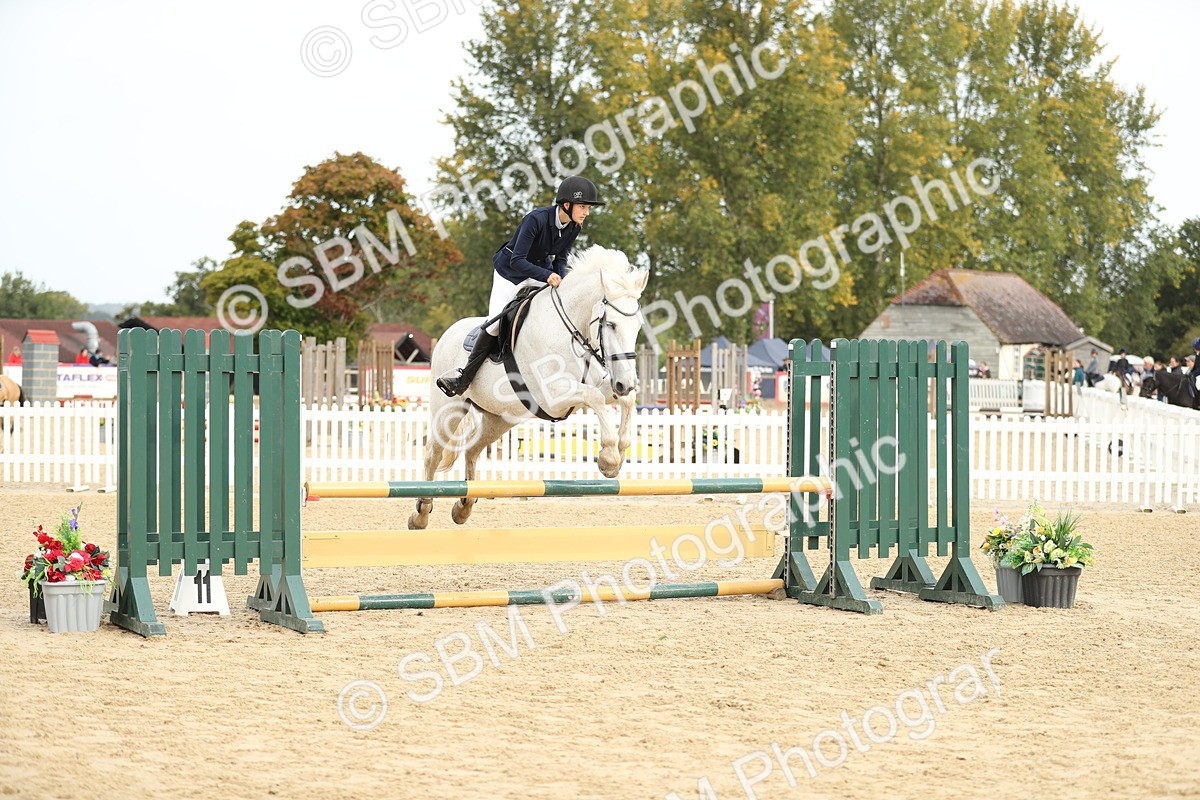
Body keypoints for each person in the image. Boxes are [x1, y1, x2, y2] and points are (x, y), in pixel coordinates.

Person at [436, 175, 605, 397]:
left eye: (588, 208)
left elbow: (561, 259)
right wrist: (547, 276)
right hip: (511, 273)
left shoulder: (574, 226)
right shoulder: (535, 220)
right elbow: (518, 260)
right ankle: (463, 379)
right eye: (583, 206)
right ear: (567, 204)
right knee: (494, 324)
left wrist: (560, 279)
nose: (586, 213)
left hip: (539, 272)